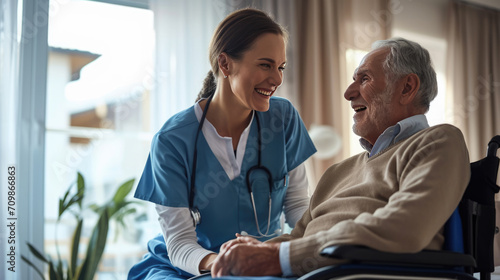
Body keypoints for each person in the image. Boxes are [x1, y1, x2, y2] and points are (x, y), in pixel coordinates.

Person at [209, 37, 471, 278]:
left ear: (407, 87)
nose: (348, 93)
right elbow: (299, 238)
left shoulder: (438, 142)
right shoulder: (337, 172)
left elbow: (406, 227)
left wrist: (277, 257)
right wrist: (251, 251)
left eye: (364, 79)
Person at [128, 8, 317, 280]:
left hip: (261, 262)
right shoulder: (172, 141)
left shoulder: (283, 119)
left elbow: (299, 208)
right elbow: (180, 244)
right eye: (265, 65)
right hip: (189, 266)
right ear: (226, 64)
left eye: (280, 67)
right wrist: (230, 261)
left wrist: (299, 251)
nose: (277, 79)